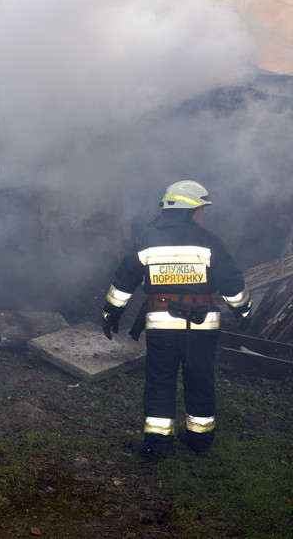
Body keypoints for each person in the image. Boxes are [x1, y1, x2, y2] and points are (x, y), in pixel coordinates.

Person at [101, 180, 252, 461]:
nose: (205, 213)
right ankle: (199, 439)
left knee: (160, 382)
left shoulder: (147, 238)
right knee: (201, 380)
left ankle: (158, 445)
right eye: (201, 208)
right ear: (187, 210)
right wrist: (242, 311)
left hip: (162, 325)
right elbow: (231, 280)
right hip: (202, 326)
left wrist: (112, 312)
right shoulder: (209, 242)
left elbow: (124, 279)